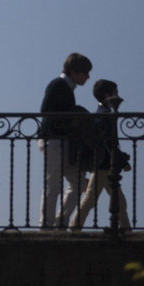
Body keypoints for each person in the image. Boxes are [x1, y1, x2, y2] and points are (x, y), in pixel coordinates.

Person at [38, 52, 92, 229]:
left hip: (58, 139)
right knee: (54, 184)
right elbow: (46, 111)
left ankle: (57, 222)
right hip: (53, 139)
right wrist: (70, 121)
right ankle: (47, 224)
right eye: (85, 73)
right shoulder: (59, 85)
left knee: (76, 182)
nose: (87, 77)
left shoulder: (63, 86)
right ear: (75, 71)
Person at [71, 79, 130, 231]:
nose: (118, 96)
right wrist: (122, 161)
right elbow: (109, 142)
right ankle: (75, 225)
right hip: (105, 164)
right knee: (94, 198)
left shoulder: (100, 114)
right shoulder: (106, 115)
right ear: (107, 95)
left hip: (103, 163)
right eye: (115, 93)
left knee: (116, 201)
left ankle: (126, 229)